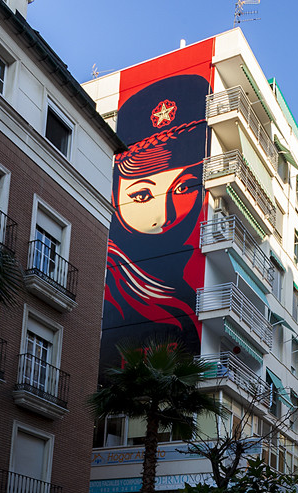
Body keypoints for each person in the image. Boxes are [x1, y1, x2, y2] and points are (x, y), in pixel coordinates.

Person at [101, 73, 210, 370]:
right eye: (141, 195)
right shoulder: (111, 290)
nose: (165, 215)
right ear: (114, 193)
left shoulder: (182, 282)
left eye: (184, 188)